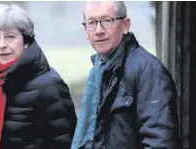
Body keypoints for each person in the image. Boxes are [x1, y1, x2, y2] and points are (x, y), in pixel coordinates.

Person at [0, 4, 77, 149]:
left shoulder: (50, 86)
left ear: (26, 40)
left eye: (10, 37)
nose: (1, 45)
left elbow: (64, 143)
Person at [72, 1, 180, 149]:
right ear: (86, 31)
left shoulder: (148, 70)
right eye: (91, 22)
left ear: (125, 25)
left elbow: (160, 142)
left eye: (106, 21)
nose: (98, 30)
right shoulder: (99, 71)